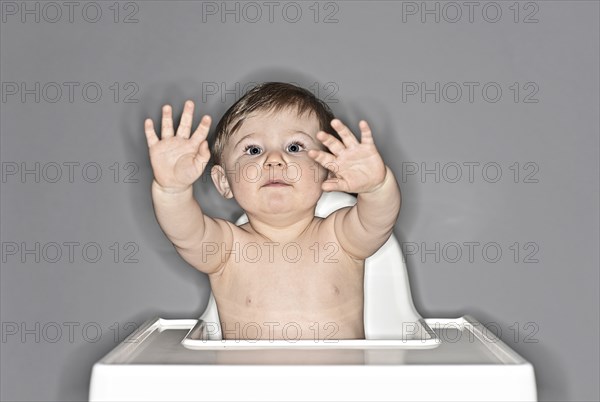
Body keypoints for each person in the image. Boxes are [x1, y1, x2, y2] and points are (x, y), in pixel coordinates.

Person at [144, 82, 401, 340]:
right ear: (224, 181)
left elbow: (378, 220)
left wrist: (376, 187)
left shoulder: (341, 238)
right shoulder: (227, 248)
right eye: (253, 150)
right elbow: (184, 232)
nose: (274, 159)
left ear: (329, 169)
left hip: (335, 380)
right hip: (253, 381)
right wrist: (172, 190)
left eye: (294, 147)